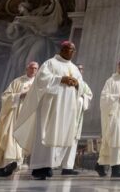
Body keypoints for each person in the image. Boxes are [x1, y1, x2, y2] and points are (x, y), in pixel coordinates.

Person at [13, 41, 84, 180]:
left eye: (73, 50)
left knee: (58, 134)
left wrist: (77, 84)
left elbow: (81, 85)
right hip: (50, 106)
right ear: (62, 49)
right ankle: (39, 167)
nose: (71, 52)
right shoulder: (50, 63)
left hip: (66, 108)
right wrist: (60, 79)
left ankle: (49, 165)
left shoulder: (74, 68)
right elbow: (41, 80)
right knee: (44, 134)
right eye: (69, 49)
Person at [0, 61, 39, 177]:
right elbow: (5, 96)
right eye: (31, 68)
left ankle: (14, 165)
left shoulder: (38, 84)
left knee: (22, 140)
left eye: (36, 68)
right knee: (9, 137)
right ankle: (5, 165)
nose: (33, 70)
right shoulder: (17, 82)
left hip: (29, 116)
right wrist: (20, 95)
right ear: (27, 69)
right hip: (14, 115)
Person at [58, 63, 93, 175]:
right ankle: (53, 164)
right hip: (66, 115)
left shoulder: (83, 84)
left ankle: (67, 167)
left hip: (77, 117)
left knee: (73, 142)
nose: (80, 71)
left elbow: (89, 94)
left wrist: (83, 98)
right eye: (78, 69)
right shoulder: (67, 81)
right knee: (62, 139)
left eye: (82, 70)